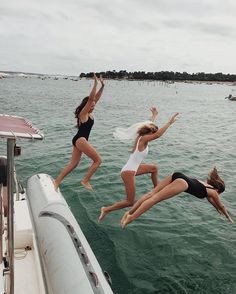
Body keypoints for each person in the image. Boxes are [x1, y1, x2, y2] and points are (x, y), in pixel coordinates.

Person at [98, 110, 179, 223]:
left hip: (133, 169)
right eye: (153, 132)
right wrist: (169, 122)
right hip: (128, 172)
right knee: (130, 201)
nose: (153, 135)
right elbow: (158, 134)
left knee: (154, 168)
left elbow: (149, 124)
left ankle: (157, 190)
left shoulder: (144, 136)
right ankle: (106, 209)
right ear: (150, 133)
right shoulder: (143, 139)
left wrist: (154, 116)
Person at [121, 167, 234, 228]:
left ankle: (129, 212)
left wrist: (217, 209)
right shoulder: (213, 193)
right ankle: (131, 218)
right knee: (154, 199)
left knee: (151, 194)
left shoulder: (207, 187)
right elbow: (221, 204)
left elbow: (212, 202)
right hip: (183, 183)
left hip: (177, 175)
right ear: (218, 190)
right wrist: (228, 217)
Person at [54, 73, 105, 191]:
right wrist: (95, 84)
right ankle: (85, 180)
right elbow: (92, 99)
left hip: (79, 140)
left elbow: (95, 99)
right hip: (80, 140)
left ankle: (56, 182)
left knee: (73, 164)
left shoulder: (89, 113)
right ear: (86, 105)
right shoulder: (83, 114)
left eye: (93, 106)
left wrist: (102, 87)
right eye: (91, 105)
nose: (93, 106)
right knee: (98, 160)